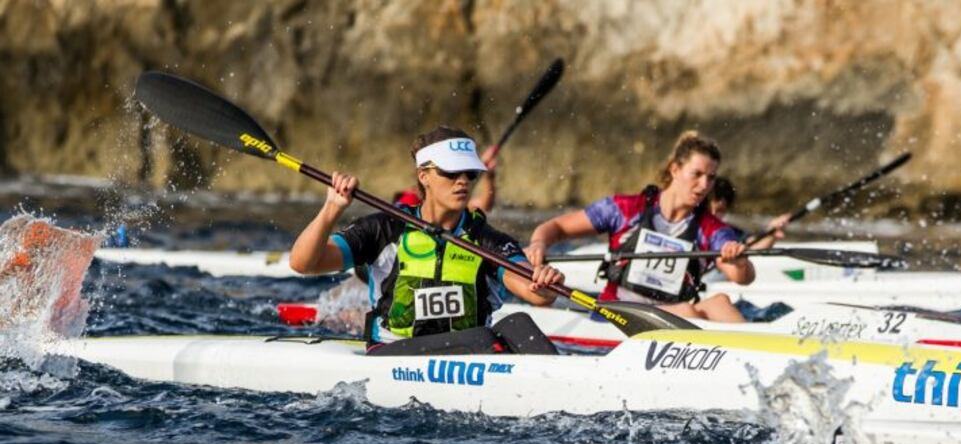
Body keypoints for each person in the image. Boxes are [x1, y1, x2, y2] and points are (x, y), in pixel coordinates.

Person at [289, 126, 565, 355]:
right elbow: (303, 263)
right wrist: (332, 209)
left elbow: (534, 292)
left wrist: (544, 282)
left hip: (469, 353)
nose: (463, 182)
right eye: (450, 172)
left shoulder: (487, 240)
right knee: (482, 338)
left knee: (519, 323)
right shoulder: (384, 229)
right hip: (392, 352)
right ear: (424, 176)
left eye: (470, 173)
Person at [526, 131, 753, 323]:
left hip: (671, 319)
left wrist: (739, 262)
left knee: (720, 302)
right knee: (687, 311)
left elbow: (741, 277)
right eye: (697, 174)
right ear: (675, 170)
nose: (704, 185)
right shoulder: (624, 210)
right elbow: (557, 227)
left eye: (711, 178)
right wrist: (538, 243)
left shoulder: (711, 228)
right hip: (614, 316)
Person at [709, 177, 791, 250]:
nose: (713, 213)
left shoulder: (729, 232)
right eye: (708, 209)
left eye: (720, 210)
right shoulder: (697, 225)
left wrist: (771, 232)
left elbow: (752, 246)